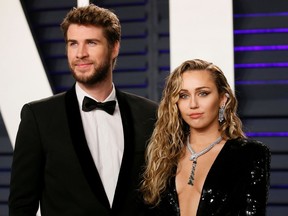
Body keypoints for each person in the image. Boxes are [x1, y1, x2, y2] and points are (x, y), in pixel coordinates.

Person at [9, 4, 158, 216]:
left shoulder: (149, 114)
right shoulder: (38, 117)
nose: (80, 53)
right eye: (73, 44)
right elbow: (21, 207)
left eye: (91, 43)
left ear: (114, 47)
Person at [140, 59, 271, 216]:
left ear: (223, 99)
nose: (193, 104)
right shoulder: (162, 155)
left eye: (203, 93)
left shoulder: (249, 155)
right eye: (183, 95)